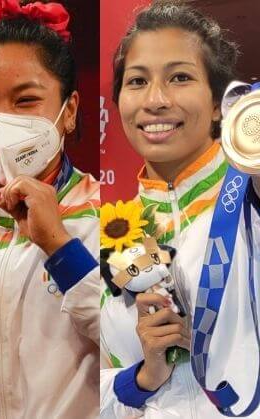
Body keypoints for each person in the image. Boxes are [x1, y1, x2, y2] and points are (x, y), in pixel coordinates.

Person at [0, 0, 100, 418]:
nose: (1, 122)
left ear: (70, 111)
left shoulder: (112, 215)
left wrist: (61, 248)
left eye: (25, 100)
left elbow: (139, 345)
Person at [100, 2, 260, 418]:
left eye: (180, 77)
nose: (155, 100)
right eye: (137, 81)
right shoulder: (114, 236)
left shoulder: (250, 199)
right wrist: (142, 379)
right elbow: (85, 387)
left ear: (218, 103)